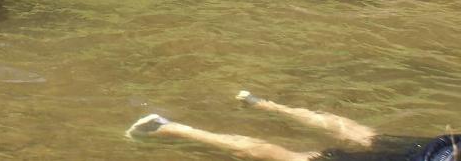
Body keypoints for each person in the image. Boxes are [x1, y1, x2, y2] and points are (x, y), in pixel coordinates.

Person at [127, 90, 459, 161]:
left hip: (441, 147)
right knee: (295, 159)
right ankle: (168, 128)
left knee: (365, 135)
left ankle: (260, 103)